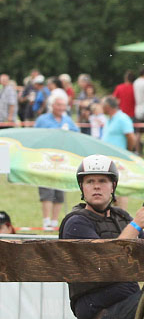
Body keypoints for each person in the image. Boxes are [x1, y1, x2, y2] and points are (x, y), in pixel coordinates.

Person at [59, 155, 144, 319]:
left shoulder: (121, 217)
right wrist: (134, 226)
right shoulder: (76, 223)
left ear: (113, 186)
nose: (96, 186)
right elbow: (106, 263)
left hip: (129, 303)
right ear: (82, 188)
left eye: (102, 181)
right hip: (101, 317)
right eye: (90, 181)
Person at [34, 88, 79, 230]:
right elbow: (37, 137)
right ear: (52, 105)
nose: (61, 108)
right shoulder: (42, 120)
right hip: (46, 159)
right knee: (47, 190)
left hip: (62, 160)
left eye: (63, 105)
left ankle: (54, 221)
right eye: (58, 105)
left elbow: (77, 135)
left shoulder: (68, 120)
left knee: (59, 191)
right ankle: (46, 220)